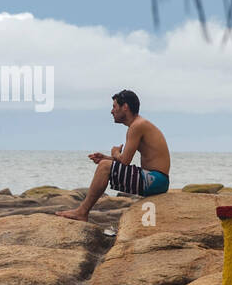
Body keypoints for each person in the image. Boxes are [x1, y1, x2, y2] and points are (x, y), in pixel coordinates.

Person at [56, 89, 170, 221]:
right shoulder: (137, 125)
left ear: (125, 107)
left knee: (105, 167)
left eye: (114, 107)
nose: (112, 111)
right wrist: (106, 158)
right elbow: (123, 161)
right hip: (155, 179)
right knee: (105, 164)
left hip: (156, 180)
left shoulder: (137, 126)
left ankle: (82, 212)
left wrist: (114, 153)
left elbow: (125, 161)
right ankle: (82, 211)